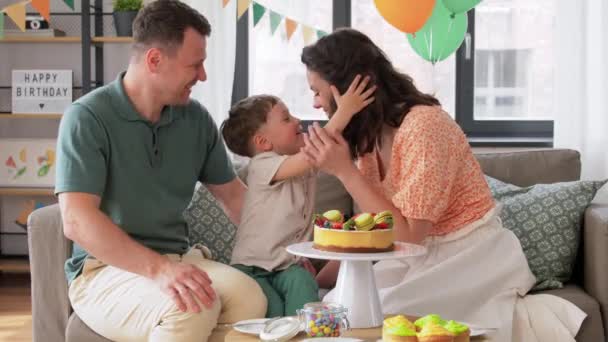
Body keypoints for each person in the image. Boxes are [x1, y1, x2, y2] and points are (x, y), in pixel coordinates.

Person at [299, 28, 584, 341]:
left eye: (317, 91)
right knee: (340, 306)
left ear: (348, 86)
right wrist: (322, 277)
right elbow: (380, 228)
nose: (315, 104)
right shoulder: (369, 138)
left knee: (380, 315)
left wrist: (343, 171)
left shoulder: (425, 126)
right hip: (417, 254)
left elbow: (409, 236)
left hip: (469, 253)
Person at [55, 1, 266, 341]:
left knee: (250, 298)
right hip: (105, 270)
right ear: (155, 60)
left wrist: (286, 249)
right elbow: (77, 220)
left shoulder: (195, 119)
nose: (203, 76)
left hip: (179, 258)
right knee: (193, 306)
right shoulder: (87, 118)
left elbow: (235, 197)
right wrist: (159, 270)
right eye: (195, 65)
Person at [220, 75, 375, 318]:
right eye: (286, 118)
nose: (297, 120)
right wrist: (344, 111)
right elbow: (313, 153)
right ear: (263, 143)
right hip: (252, 268)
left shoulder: (300, 161)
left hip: (287, 266)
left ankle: (304, 334)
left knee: (304, 285)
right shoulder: (261, 166)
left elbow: (325, 148)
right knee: (269, 308)